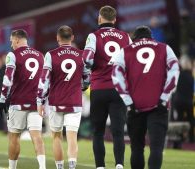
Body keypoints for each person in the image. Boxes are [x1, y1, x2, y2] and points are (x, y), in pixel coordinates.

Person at [112, 26, 180, 169]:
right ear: (151, 37)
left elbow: (116, 76)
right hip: (158, 105)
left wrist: (128, 101)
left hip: (135, 106)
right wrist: (164, 97)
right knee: (156, 148)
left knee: (137, 149)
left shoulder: (125, 50)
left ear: (135, 37)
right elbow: (175, 71)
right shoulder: (164, 48)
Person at [82, 5, 131, 169]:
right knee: (118, 132)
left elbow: (87, 59)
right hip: (118, 89)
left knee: (98, 132)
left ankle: (101, 166)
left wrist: (85, 79)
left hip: (99, 88)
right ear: (115, 20)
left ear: (99, 19)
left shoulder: (94, 36)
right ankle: (119, 165)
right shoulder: (125, 36)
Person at [37, 25, 89, 169]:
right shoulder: (81, 54)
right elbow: (87, 78)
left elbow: (44, 80)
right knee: (72, 137)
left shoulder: (50, 55)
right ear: (72, 38)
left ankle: (59, 167)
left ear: (57, 38)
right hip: (74, 101)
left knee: (56, 137)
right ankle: (72, 167)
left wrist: (40, 101)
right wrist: (83, 87)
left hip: (56, 102)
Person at [0, 29, 46, 169]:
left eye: (12, 41)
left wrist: (2, 99)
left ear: (17, 39)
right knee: (37, 136)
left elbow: (8, 79)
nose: (11, 44)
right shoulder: (39, 55)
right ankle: (42, 167)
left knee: (14, 136)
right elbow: (44, 80)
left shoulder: (13, 55)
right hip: (35, 102)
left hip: (18, 102)